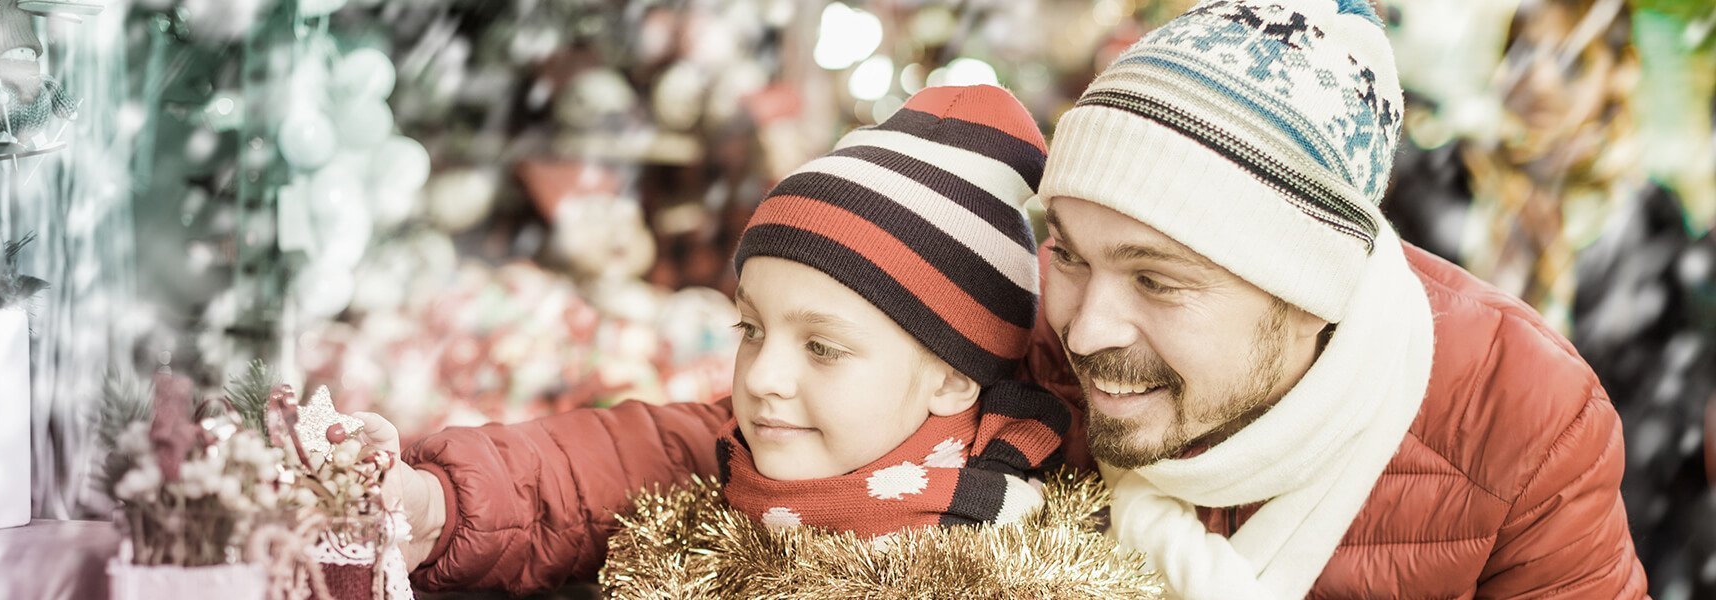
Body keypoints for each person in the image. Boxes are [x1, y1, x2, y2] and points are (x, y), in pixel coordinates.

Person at [361, 0, 1648, 596]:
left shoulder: (1518, 421)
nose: (1086, 331)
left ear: (1303, 294)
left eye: (1159, 280)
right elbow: (742, 442)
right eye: (1072, 251)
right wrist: (445, 503)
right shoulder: (1025, 330)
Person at [590, 84, 1157, 598]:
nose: (761, 377)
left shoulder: (1010, 572)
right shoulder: (705, 509)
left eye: (823, 348)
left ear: (954, 377)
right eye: (752, 330)